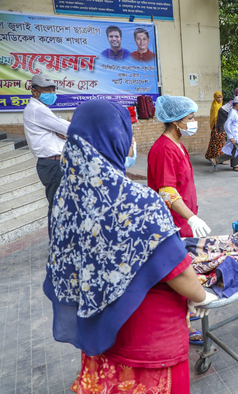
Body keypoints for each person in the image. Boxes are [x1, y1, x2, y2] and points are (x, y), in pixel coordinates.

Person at [43, 99, 217, 393]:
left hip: (102, 331)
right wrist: (202, 296)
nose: (132, 141)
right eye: (127, 133)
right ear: (113, 138)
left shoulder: (65, 198)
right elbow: (177, 272)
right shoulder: (137, 202)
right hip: (148, 341)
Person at [147, 95, 211, 239]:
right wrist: (191, 218)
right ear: (175, 120)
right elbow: (166, 190)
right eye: (190, 118)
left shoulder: (178, 144)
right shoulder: (164, 149)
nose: (194, 122)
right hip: (174, 221)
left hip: (184, 216)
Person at [22, 73, 70, 231]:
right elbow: (66, 128)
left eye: (52, 89)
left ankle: (61, 241)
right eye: (46, 90)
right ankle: (57, 244)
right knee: (57, 205)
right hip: (52, 164)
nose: (50, 93)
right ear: (35, 91)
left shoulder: (42, 109)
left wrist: (61, 132)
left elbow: (61, 131)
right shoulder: (37, 109)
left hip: (54, 163)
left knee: (61, 205)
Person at [210, 96, 238, 176]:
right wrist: (231, 137)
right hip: (235, 138)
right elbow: (227, 125)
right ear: (237, 105)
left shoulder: (235, 113)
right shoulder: (233, 113)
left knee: (232, 153)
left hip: (237, 136)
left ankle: (215, 160)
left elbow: (235, 126)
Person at [204, 91, 225, 161]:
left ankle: (212, 157)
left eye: (220, 97)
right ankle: (218, 159)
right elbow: (216, 118)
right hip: (217, 127)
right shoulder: (216, 106)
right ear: (215, 98)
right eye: (218, 97)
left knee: (214, 143)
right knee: (218, 143)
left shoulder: (219, 105)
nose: (219, 99)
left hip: (218, 127)